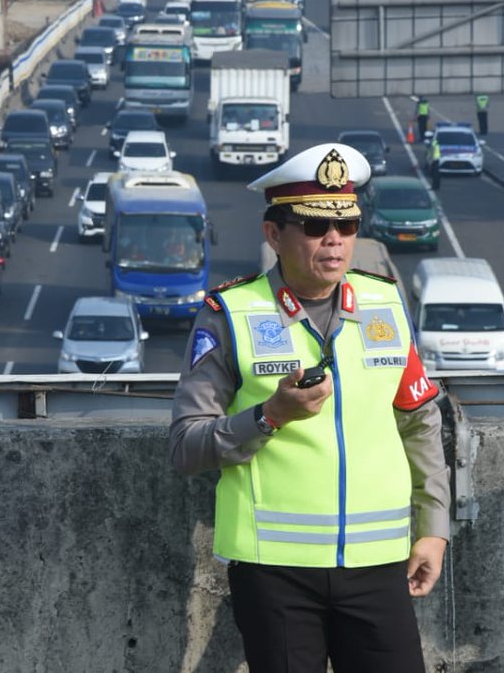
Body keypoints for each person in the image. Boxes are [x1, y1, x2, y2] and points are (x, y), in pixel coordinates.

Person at [170, 143, 450, 672]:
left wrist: (433, 527)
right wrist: (269, 416)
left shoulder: (385, 304)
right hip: (274, 572)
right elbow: (186, 447)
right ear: (273, 234)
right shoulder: (228, 314)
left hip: (378, 566)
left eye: (347, 227)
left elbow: (420, 421)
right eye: (315, 226)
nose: (335, 241)